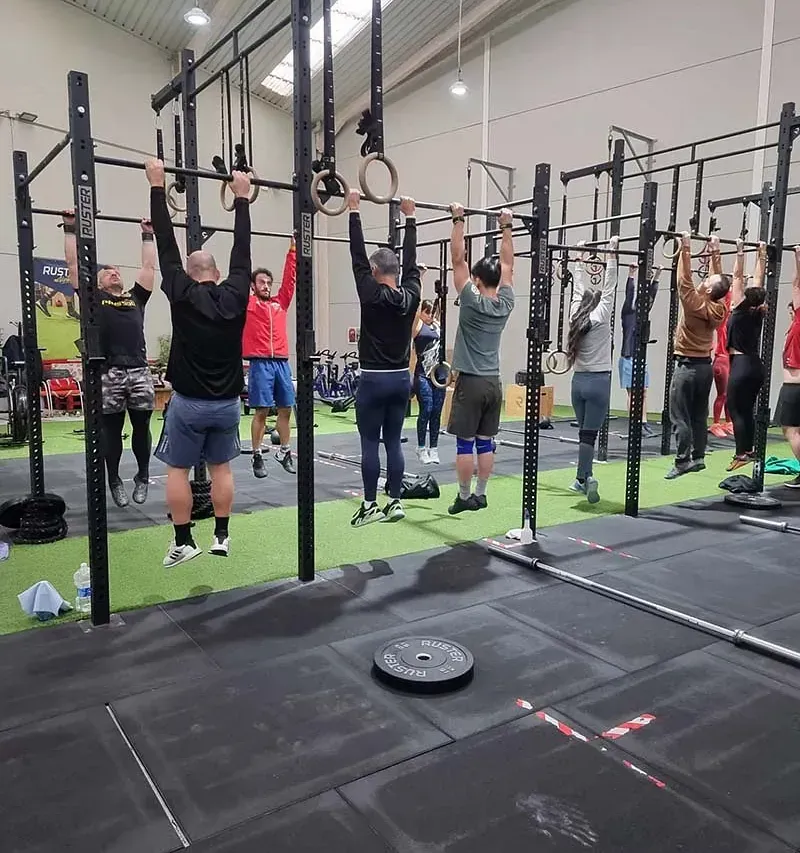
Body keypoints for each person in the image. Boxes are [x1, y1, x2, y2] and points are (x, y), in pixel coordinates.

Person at [146, 158, 252, 567]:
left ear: (189, 273)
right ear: (218, 272)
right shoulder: (236, 292)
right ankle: (222, 536)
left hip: (189, 404)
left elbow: (166, 244)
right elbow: (243, 250)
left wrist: (157, 186)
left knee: (178, 470)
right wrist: (241, 198)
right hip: (227, 404)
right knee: (221, 468)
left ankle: (184, 541)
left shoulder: (180, 291)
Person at [63, 210, 156, 508]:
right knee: (112, 431)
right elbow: (73, 265)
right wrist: (70, 229)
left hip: (139, 371)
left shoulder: (135, 297)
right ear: (100, 283)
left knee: (142, 426)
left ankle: (143, 476)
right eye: (108, 272)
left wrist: (147, 234)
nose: (114, 273)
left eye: (117, 272)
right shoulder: (94, 299)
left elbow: (148, 266)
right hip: (109, 372)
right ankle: (114, 479)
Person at [348, 190, 421, 526]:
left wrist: (354, 210)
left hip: (373, 381)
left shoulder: (370, 293)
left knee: (369, 443)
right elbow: (412, 266)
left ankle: (369, 505)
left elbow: (357, 256)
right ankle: (394, 501)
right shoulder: (412, 294)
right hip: (401, 380)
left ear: (375, 270)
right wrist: (410, 218)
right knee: (393, 442)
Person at [447, 204, 515, 514]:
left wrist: (458, 219)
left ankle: (464, 497)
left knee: (465, 443)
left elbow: (457, 259)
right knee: (485, 442)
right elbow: (508, 265)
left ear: (476, 279)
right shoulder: (505, 302)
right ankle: (482, 494)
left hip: (471, 383)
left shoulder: (471, 300)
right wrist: (506, 227)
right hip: (493, 383)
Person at [665, 233, 731, 479]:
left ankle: (682, 461)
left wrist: (686, 247)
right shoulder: (720, 307)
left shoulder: (695, 303)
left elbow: (683, 279)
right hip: (705, 367)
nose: (704, 279)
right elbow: (719, 283)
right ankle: (699, 456)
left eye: (707, 280)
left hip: (687, 367)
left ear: (709, 288)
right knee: (699, 415)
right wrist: (715, 251)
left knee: (679, 416)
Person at [566, 238, 620, 503]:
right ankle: (585, 478)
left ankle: (582, 478)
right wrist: (611, 253)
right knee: (589, 435)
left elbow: (577, 290)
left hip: (578, 383)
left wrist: (579, 259)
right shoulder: (601, 316)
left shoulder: (575, 316)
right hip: (599, 382)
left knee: (584, 434)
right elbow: (610, 289)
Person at [242, 239, 297, 477]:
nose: (266, 286)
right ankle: (256, 455)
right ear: (253, 286)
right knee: (262, 411)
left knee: (286, 409)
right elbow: (239, 278)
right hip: (260, 363)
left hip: (281, 363)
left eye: (268, 283)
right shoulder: (249, 304)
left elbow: (290, 280)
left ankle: (284, 451)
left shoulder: (279, 304)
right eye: (261, 282)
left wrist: (293, 251)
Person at [725, 239, 767, 470]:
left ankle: (741, 454)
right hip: (755, 366)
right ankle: (749, 451)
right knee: (746, 410)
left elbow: (737, 276)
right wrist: (761, 253)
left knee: (735, 410)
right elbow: (758, 281)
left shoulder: (740, 309)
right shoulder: (758, 311)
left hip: (741, 365)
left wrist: (740, 251)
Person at [618, 262, 658, 438]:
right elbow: (629, 295)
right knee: (633, 393)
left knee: (644, 392)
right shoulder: (627, 313)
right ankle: (634, 424)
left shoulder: (643, 314)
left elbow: (651, 296)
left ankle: (643, 423)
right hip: (628, 358)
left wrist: (657, 276)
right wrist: (631, 274)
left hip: (640, 358)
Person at [774, 247, 800, 488]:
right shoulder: (794, 326)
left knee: (790, 430)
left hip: (794, 387)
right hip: (793, 385)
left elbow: (796, 284)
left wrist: (797, 257)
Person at [413, 294, 446, 465]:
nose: (430, 316)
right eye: (427, 312)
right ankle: (421, 447)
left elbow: (440, 310)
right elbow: (414, 309)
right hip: (423, 375)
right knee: (426, 408)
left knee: (436, 412)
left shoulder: (438, 325)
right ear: (421, 312)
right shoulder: (418, 326)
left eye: (432, 313)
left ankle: (433, 448)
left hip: (439, 375)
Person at [709, 283, 733, 439]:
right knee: (722, 394)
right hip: (721, 360)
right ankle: (716, 423)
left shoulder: (734, 323)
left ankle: (729, 422)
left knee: (730, 395)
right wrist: (728, 289)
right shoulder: (722, 323)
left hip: (730, 360)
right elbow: (726, 305)